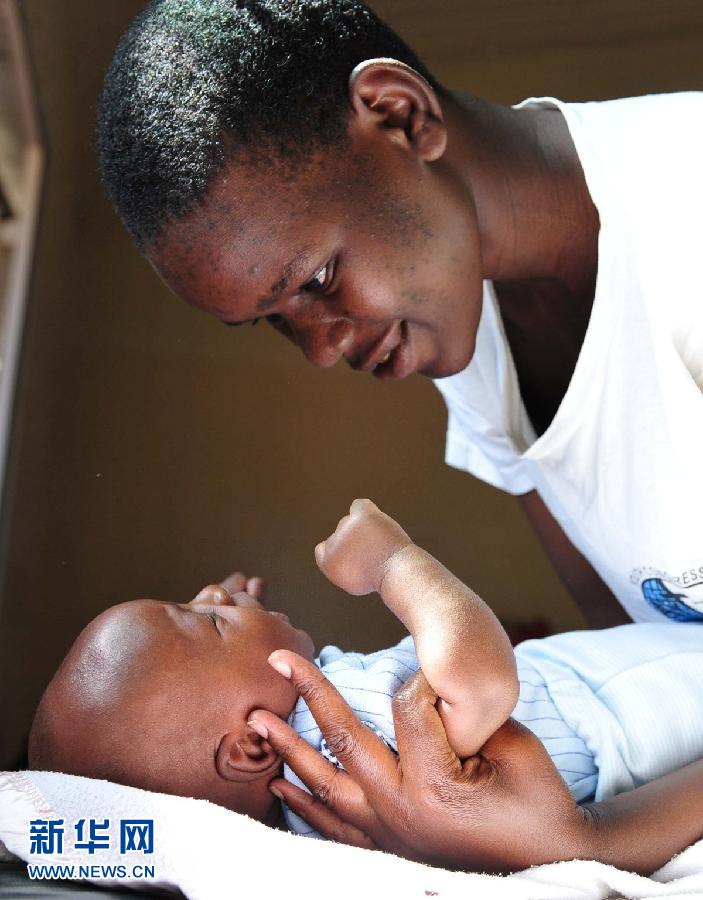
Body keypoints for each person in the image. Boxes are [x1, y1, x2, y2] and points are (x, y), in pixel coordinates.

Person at [97, 0, 703, 873]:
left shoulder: (682, 221)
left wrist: (594, 845)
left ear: (398, 115)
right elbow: (635, 648)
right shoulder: (473, 346)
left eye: (316, 278)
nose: (319, 348)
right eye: (271, 321)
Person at [29, 500, 703, 871]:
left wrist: (226, 625)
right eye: (202, 618)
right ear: (252, 748)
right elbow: (482, 686)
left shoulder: (318, 812)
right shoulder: (359, 730)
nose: (213, 592)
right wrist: (392, 562)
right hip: (640, 704)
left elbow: (195, 693)